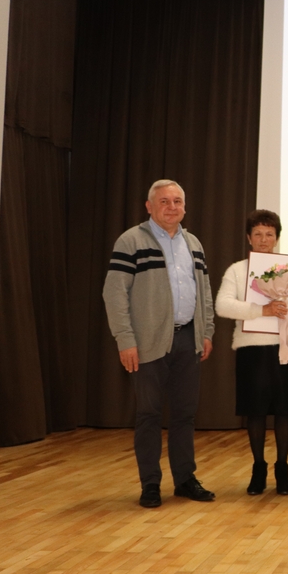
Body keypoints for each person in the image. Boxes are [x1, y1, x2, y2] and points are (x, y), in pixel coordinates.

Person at [103, 179, 216, 508]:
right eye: (164, 201)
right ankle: (150, 484)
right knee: (149, 414)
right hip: (147, 343)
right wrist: (125, 340)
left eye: (177, 201)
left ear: (185, 207)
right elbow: (114, 294)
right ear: (149, 206)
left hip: (188, 340)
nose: (172, 207)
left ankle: (184, 479)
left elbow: (204, 292)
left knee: (184, 415)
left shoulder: (193, 243)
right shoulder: (131, 240)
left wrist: (205, 332)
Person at [214, 210, 288, 496]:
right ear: (248, 238)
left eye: (269, 234)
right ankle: (258, 468)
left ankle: (282, 468)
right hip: (251, 349)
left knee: (284, 410)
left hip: (287, 347)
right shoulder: (238, 270)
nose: (264, 239)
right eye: (257, 234)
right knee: (255, 412)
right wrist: (260, 310)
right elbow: (222, 306)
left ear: (277, 238)